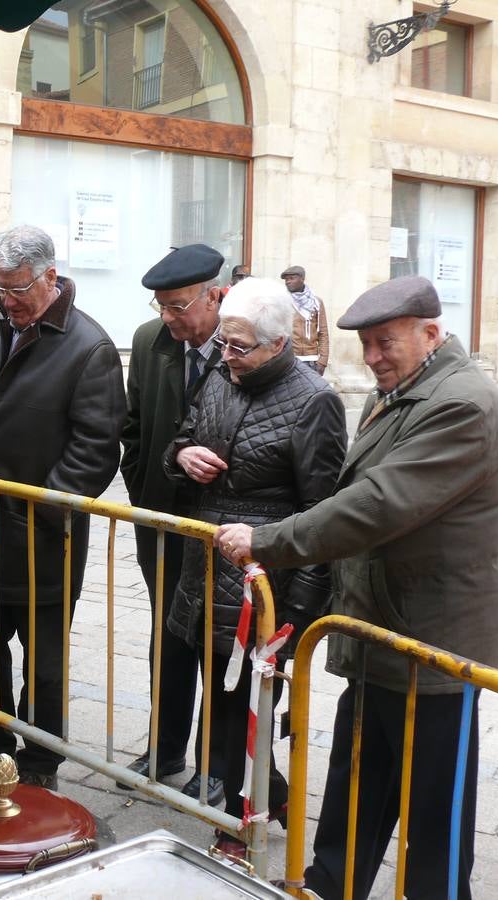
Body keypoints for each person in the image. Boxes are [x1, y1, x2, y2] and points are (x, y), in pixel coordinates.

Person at [217, 275, 498, 899]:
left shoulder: (464, 404)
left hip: (434, 643)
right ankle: (332, 883)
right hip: (378, 626)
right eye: (366, 345)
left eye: (387, 342)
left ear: (432, 334)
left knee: (434, 805)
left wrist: (269, 540)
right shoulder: (402, 390)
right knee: (359, 775)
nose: (373, 357)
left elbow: (376, 505)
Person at [0, 224, 125, 790]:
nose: (6, 302)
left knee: (42, 666)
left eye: (17, 291)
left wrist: (36, 510)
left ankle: (38, 767)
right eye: (0, 289)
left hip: (41, 540)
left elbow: (95, 452)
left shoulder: (90, 348)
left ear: (50, 279)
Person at [163, 277, 346, 858]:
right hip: (204, 571)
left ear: (277, 343)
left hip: (264, 583)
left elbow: (324, 518)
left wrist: (296, 613)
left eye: (240, 347)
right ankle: (258, 801)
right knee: (221, 704)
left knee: (245, 710)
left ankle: (239, 829)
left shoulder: (314, 399)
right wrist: (181, 455)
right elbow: (184, 439)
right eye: (224, 342)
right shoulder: (221, 371)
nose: (226, 354)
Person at [118, 243, 227, 802]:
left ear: (216, 295)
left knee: (219, 646)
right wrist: (142, 488)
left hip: (221, 529)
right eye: (161, 306)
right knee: (169, 637)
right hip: (160, 523)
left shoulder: (240, 343)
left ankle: (216, 762)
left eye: (178, 306)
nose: (168, 317)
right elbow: (133, 427)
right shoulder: (149, 340)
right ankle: (164, 748)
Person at [281, 265, 329, 374]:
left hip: (312, 361)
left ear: (302, 279)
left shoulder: (316, 302)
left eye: (292, 278)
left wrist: (323, 360)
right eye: (286, 279)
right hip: (290, 359)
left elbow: (323, 332)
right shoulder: (283, 301)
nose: (288, 282)